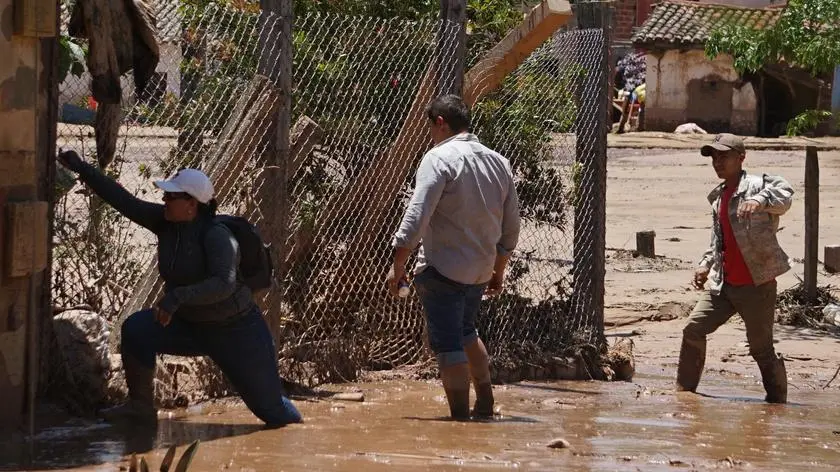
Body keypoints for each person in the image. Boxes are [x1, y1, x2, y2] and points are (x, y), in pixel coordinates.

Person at [56, 150, 302, 426]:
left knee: (273, 413)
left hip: (236, 332)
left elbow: (224, 284)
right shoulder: (165, 222)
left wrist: (176, 297)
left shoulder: (218, 236)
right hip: (190, 327)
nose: (164, 200)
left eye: (171, 196)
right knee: (137, 329)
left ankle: (301, 432)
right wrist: (82, 169)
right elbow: (124, 201)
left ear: (192, 204)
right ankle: (140, 408)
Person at [387, 95, 521, 419]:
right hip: (479, 270)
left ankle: (460, 421)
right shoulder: (498, 162)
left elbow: (417, 215)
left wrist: (398, 263)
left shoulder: (439, 158)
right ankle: (486, 403)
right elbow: (511, 226)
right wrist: (498, 270)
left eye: (431, 127)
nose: (431, 134)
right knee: (467, 332)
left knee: (448, 346)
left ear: (440, 123)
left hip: (443, 270)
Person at [677, 133, 793, 403]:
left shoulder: (757, 185)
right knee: (693, 329)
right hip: (723, 284)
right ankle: (684, 396)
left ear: (741, 158)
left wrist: (761, 200)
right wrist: (705, 264)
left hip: (757, 284)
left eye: (724, 156)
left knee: (761, 349)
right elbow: (718, 239)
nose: (718, 162)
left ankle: (777, 404)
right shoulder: (718, 197)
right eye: (714, 157)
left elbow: (785, 195)